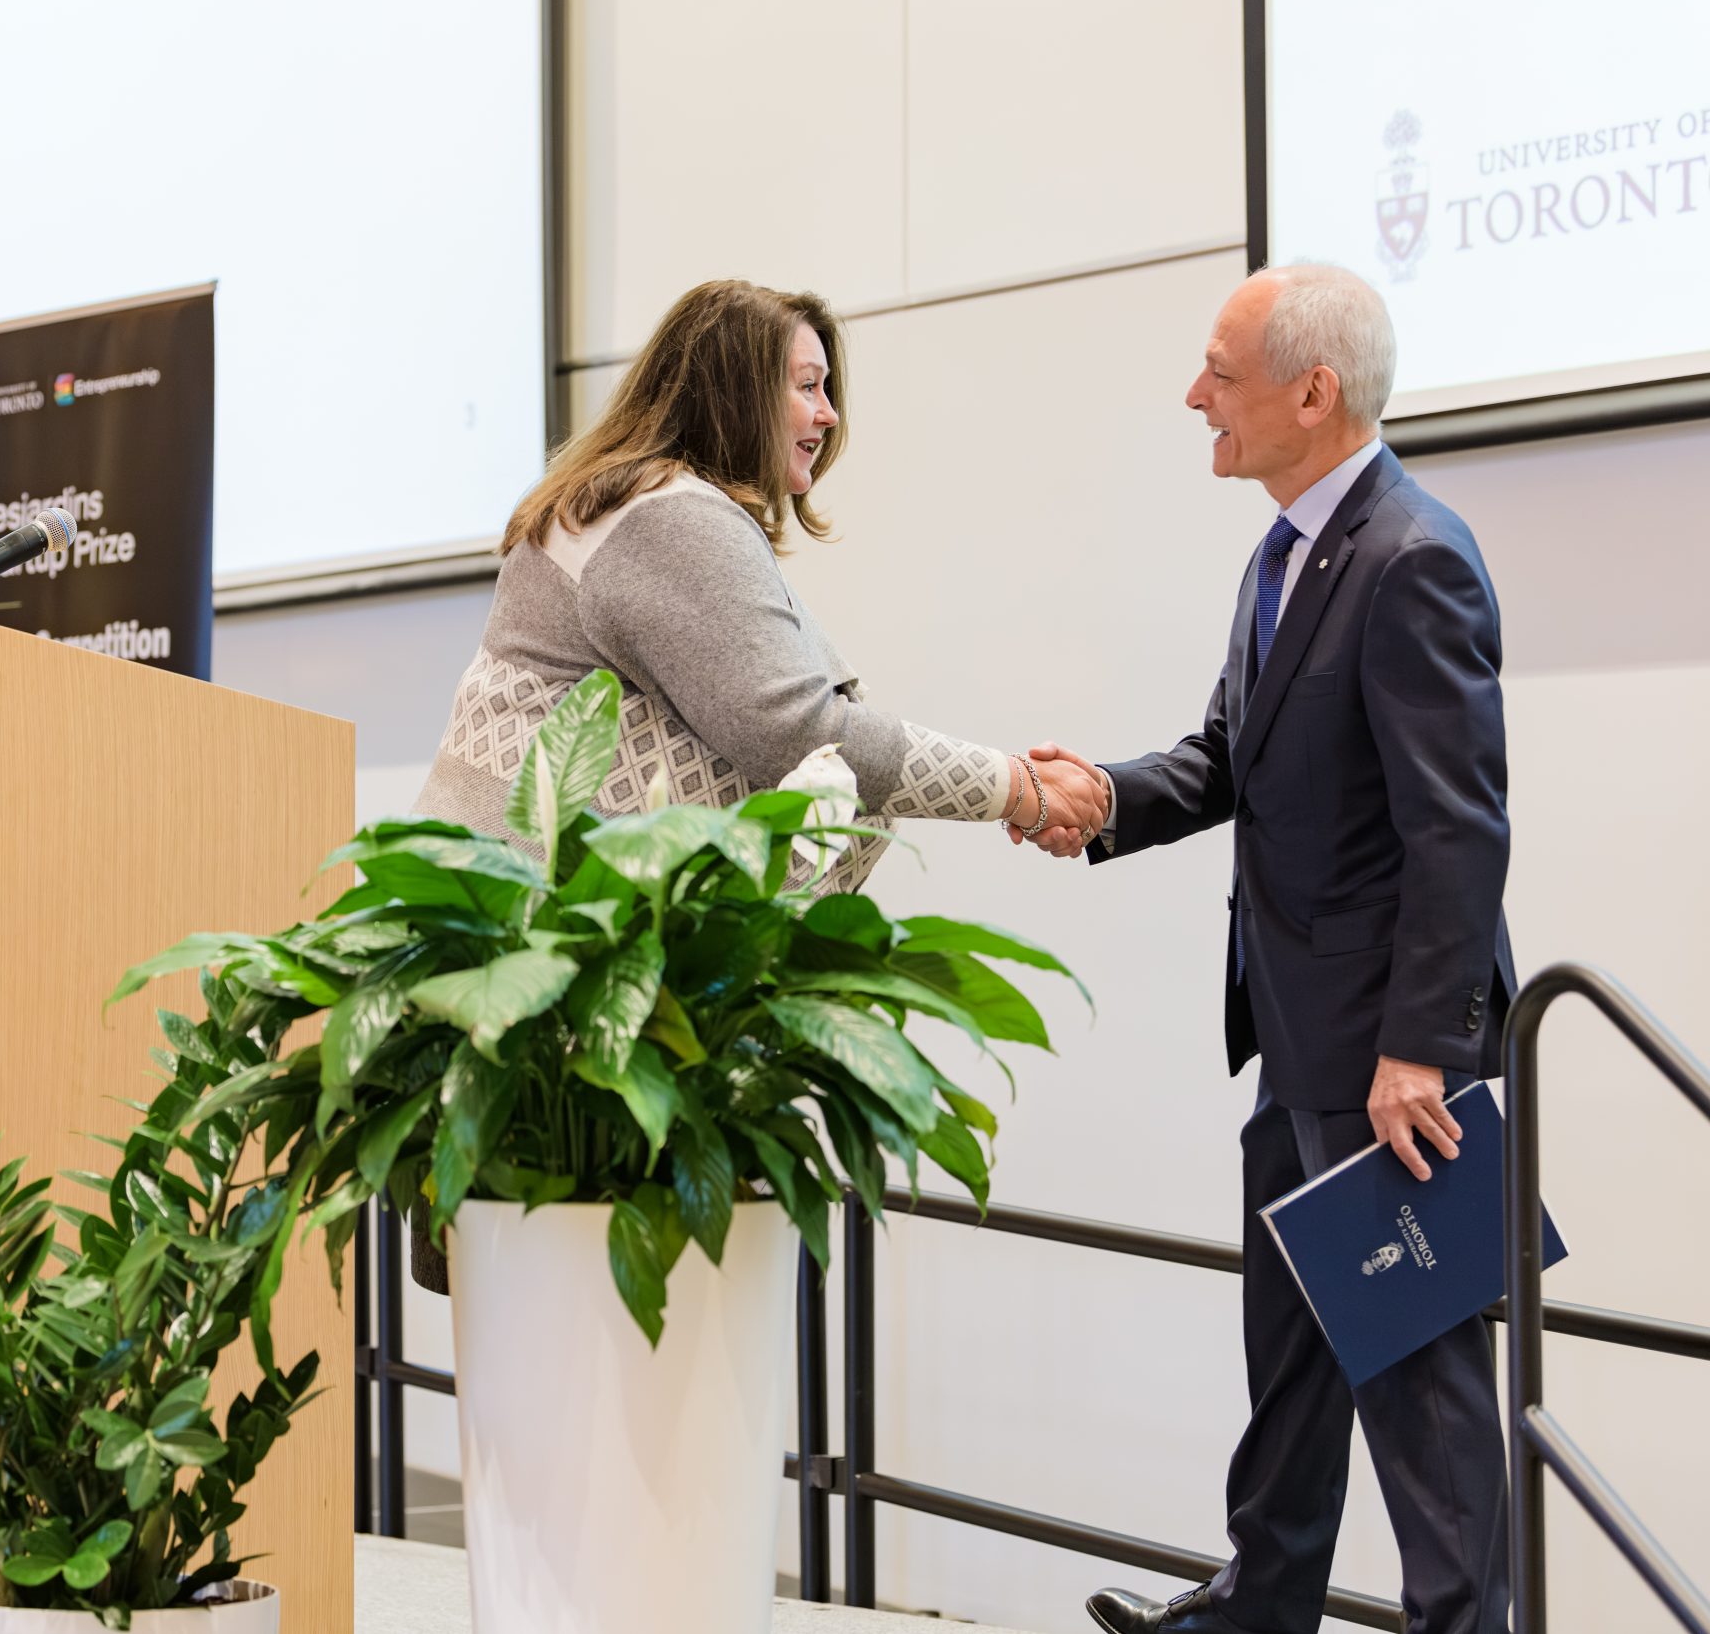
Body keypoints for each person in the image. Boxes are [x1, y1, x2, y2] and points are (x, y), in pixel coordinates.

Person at [405, 279, 1107, 1289]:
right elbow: (802, 735)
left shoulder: (629, 502)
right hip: (560, 1003)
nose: (828, 417)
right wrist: (1013, 787)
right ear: (732, 387)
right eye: (807, 386)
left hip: (521, 983)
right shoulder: (667, 517)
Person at [1015, 264, 1514, 1634]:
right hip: (1298, 1040)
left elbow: (1459, 830)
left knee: (1422, 1383)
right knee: (1291, 1358)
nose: (1195, 397)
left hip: (1385, 1061)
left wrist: (1424, 1045)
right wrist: (1107, 795)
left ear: (1313, 390)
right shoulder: (1282, 553)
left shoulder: (1414, 555)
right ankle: (1260, 1608)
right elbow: (1233, 752)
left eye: (1219, 375)